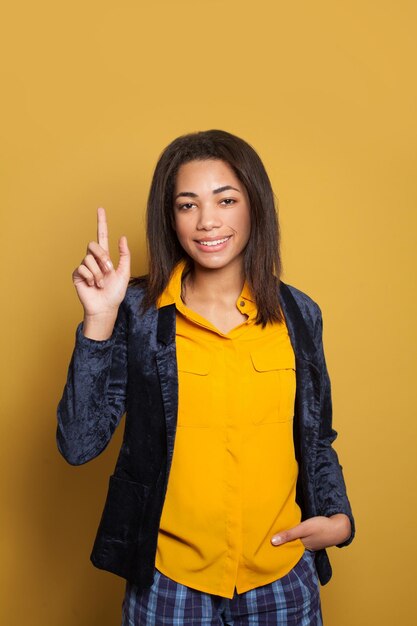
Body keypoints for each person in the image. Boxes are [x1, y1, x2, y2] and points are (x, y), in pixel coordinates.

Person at [57, 130, 354, 625]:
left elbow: (316, 438)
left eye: (226, 200)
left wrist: (340, 520)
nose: (208, 221)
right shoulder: (137, 313)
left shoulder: (299, 315)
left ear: (254, 206)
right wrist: (98, 322)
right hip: (168, 583)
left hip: (279, 578)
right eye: (187, 205)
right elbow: (78, 443)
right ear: (170, 219)